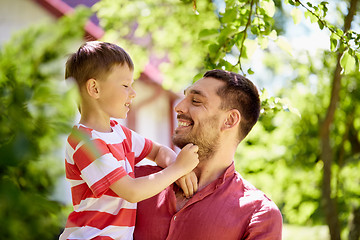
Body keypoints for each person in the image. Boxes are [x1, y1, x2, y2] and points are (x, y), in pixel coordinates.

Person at [59, 41, 199, 240]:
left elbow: (158, 151)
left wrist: (177, 165)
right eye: (126, 85)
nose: (133, 93)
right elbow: (131, 191)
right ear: (94, 89)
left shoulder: (119, 133)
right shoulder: (85, 142)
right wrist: (177, 170)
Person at [134, 69, 283, 240]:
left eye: (196, 101)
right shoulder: (135, 180)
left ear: (229, 120)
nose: (179, 107)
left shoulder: (258, 213)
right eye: (185, 97)